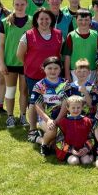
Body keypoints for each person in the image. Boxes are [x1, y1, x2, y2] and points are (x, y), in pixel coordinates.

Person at [17, 8, 63, 141]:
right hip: (33, 75)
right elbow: (20, 55)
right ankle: (32, 129)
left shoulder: (59, 34)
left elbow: (59, 53)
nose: (44, 21)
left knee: (52, 100)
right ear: (36, 20)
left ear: (51, 20)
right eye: (41, 18)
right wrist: (31, 65)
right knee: (34, 102)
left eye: (47, 19)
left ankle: (49, 125)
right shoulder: (28, 35)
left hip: (53, 76)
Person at [0, 0, 30, 128]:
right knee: (10, 91)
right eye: (16, 4)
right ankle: (10, 117)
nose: (19, 7)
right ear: (13, 5)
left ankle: (23, 116)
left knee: (24, 91)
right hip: (10, 63)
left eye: (22, 4)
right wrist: (2, 63)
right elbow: (1, 45)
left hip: (25, 63)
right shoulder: (5, 21)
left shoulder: (32, 21)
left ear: (26, 5)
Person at [31, 57, 72, 156]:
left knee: (57, 142)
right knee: (53, 131)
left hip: (62, 118)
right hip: (45, 119)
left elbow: (66, 104)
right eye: (49, 68)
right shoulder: (39, 85)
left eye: (56, 68)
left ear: (60, 69)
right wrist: (48, 120)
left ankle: (38, 138)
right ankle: (44, 145)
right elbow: (38, 106)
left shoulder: (65, 84)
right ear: (43, 68)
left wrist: (57, 120)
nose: (52, 71)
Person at [55, 95, 94, 166]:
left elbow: (91, 138)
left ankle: (90, 156)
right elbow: (59, 141)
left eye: (78, 107)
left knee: (86, 162)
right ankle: (74, 157)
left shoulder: (87, 121)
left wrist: (86, 148)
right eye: (73, 108)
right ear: (68, 108)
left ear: (82, 107)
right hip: (69, 151)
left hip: (83, 149)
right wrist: (71, 150)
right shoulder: (63, 122)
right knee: (74, 162)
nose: (76, 110)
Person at [62, 9, 98, 82]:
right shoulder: (71, 35)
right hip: (76, 71)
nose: (83, 22)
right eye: (80, 20)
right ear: (76, 20)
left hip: (92, 70)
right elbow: (67, 56)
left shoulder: (95, 34)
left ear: (91, 20)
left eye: (86, 20)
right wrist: (67, 74)